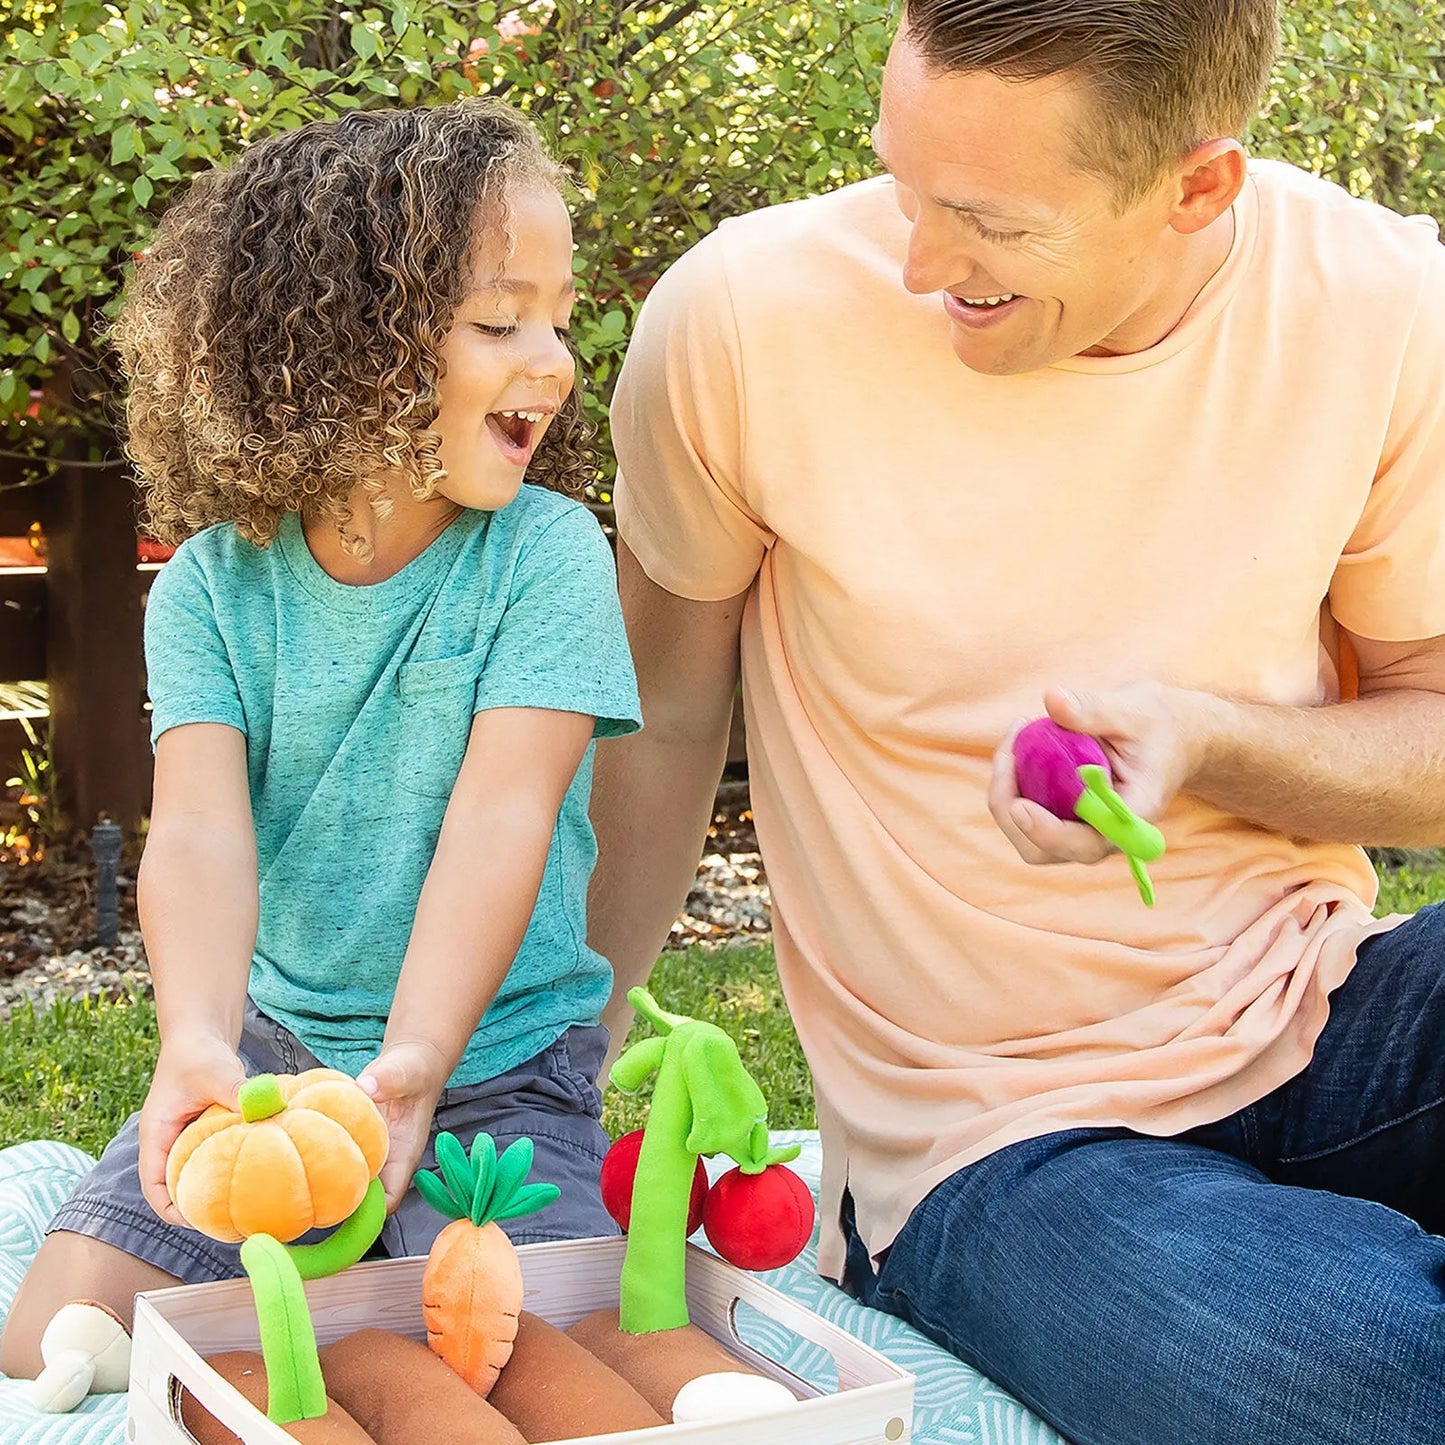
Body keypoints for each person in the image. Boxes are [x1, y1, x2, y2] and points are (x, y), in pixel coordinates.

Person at [587, 1, 1445, 1440]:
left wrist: (1210, 741)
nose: (918, 264)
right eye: (902, 183)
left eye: (985, 221)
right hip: (993, 1137)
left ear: (1194, 185)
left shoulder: (1381, 305)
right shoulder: (743, 320)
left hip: (1318, 1005)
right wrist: (557, 1057)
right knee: (1370, 1373)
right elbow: (661, 715)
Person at [0, 98, 640, 1378]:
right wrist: (195, 1035)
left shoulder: (547, 556)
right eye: (501, 319)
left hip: (497, 1066)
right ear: (347, 350)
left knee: (519, 1353)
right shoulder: (207, 586)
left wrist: (413, 1064)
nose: (556, 361)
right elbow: (193, 824)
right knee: (53, 1342)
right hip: (273, 1058)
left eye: (559, 319)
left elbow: (504, 813)